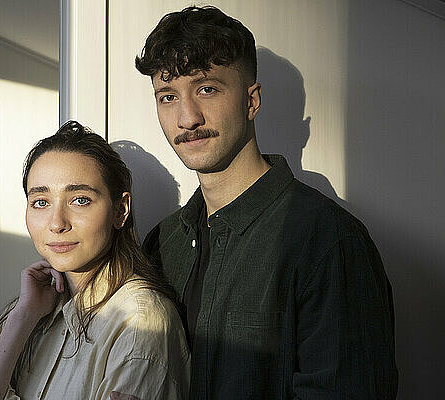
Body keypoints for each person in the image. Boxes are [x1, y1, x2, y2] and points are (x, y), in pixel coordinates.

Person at [128, 5, 397, 399]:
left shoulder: (328, 240)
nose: (187, 118)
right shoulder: (161, 243)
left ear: (251, 101)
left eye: (206, 88)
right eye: (167, 96)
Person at [0, 121, 190, 400]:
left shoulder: (141, 323)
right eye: (40, 202)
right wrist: (23, 316)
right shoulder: (37, 311)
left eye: (80, 200)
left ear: (120, 211)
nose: (57, 224)